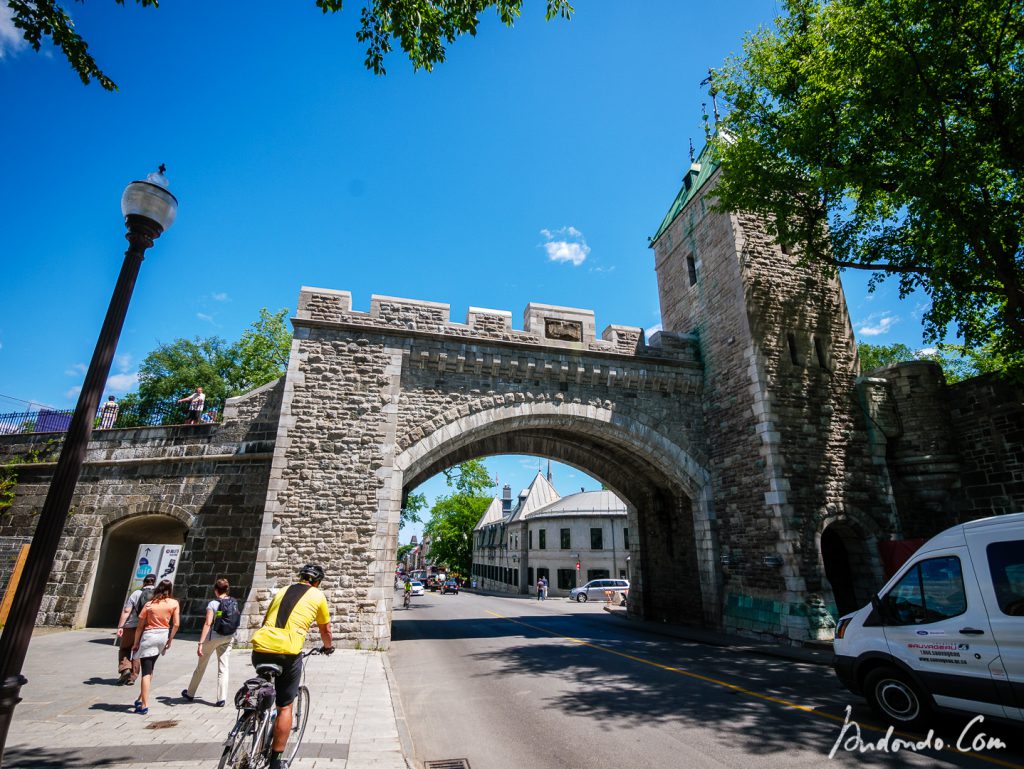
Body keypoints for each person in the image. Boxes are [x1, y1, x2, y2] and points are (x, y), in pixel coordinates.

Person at [251, 563, 334, 769]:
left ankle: (255, 713)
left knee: (265, 685)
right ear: (317, 582)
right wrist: (328, 647)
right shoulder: (317, 595)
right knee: (284, 706)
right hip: (288, 651)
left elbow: (265, 620)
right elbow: (326, 630)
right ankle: (276, 761)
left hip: (260, 646)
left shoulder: (282, 591)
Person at [181, 578, 238, 706]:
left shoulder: (213, 604)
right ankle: (221, 698)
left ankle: (190, 693)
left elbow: (208, 623)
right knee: (223, 667)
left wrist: (200, 643)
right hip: (228, 636)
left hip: (213, 637)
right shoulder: (233, 602)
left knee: (201, 666)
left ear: (216, 590)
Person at [131, 578, 180, 715]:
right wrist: (170, 639)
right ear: (170, 590)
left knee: (146, 672)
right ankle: (141, 698)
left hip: (149, 635)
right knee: (150, 667)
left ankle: (144, 705)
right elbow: (176, 624)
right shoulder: (173, 603)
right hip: (163, 636)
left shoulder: (149, 604)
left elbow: (140, 627)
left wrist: (135, 643)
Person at [115, 574, 156, 685]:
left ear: (144, 582)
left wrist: (120, 626)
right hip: (145, 628)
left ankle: (125, 669)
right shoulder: (157, 596)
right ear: (154, 582)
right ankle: (132, 677)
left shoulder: (136, 593)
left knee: (125, 648)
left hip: (130, 626)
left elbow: (127, 611)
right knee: (137, 651)